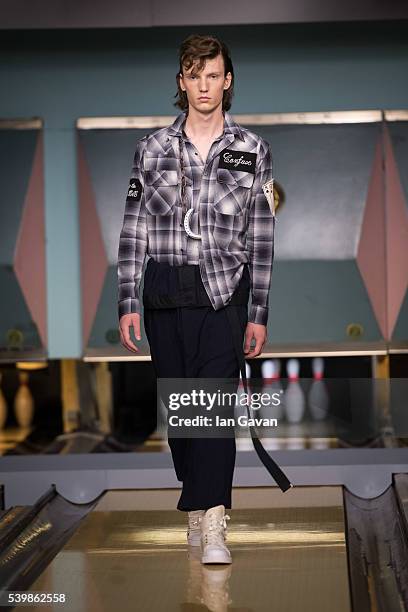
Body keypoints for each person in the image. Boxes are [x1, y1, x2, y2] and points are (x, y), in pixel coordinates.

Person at [117, 34, 291, 565]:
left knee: (212, 412)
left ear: (227, 80)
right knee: (182, 416)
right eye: (194, 75)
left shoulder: (252, 150)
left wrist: (258, 311)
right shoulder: (150, 149)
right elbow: (133, 229)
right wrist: (127, 298)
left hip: (223, 293)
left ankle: (214, 521)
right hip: (165, 292)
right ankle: (196, 508)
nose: (204, 85)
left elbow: (261, 237)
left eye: (213, 74)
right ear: (182, 82)